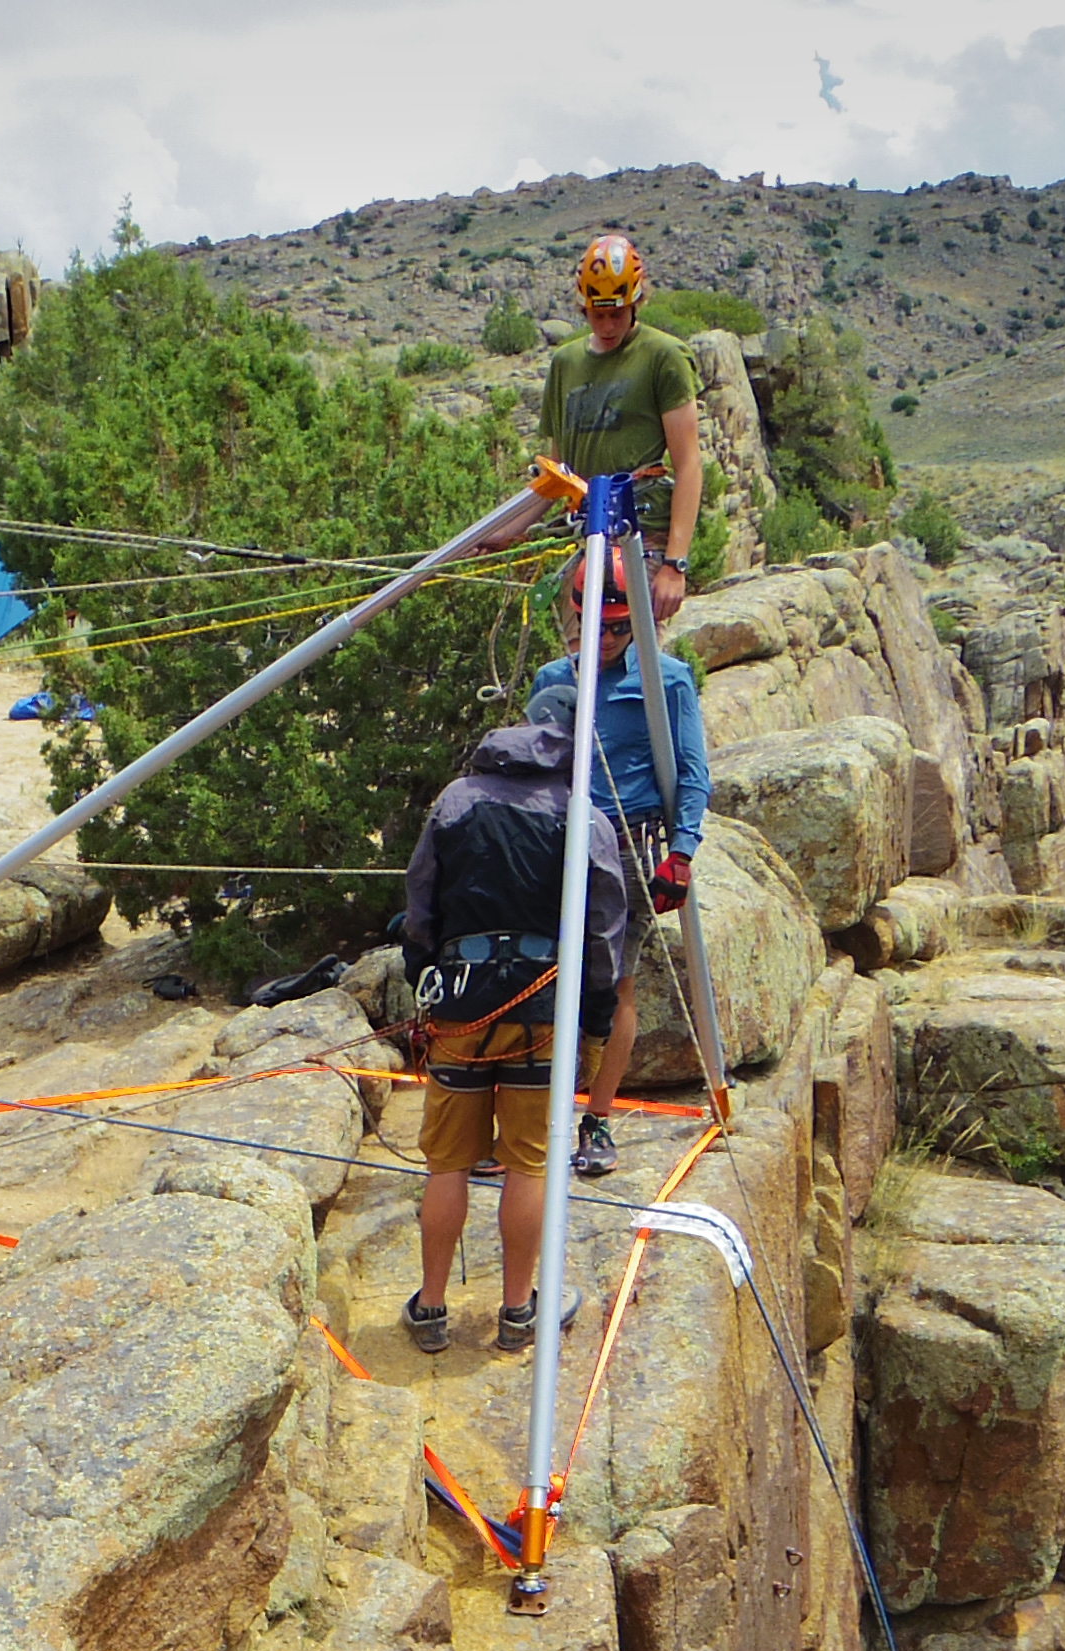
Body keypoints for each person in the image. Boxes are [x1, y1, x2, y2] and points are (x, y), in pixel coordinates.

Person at [392, 716, 634, 1355]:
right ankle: (519, 1310)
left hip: (461, 1007)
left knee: (447, 1163)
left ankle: (432, 1305)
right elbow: (606, 923)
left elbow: (421, 901)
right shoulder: (583, 813)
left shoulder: (454, 801)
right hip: (543, 1011)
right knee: (530, 1164)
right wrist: (598, 1013)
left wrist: (427, 972)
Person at [523, 570, 705, 1177]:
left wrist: (681, 852)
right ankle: (527, 1120)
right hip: (559, 837)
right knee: (540, 978)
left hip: (627, 843)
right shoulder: (556, 680)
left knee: (615, 983)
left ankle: (597, 1118)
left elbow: (691, 772)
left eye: (622, 628)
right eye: (598, 626)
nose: (606, 638)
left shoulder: (665, 681)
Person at [539, 233, 705, 625]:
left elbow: (689, 464)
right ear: (584, 310)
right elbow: (556, 472)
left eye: (619, 313)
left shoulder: (663, 356)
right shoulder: (565, 364)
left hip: (640, 531)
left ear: (635, 303)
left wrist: (675, 564)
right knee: (582, 661)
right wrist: (505, 533)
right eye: (599, 314)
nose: (609, 324)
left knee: (629, 657)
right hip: (582, 532)